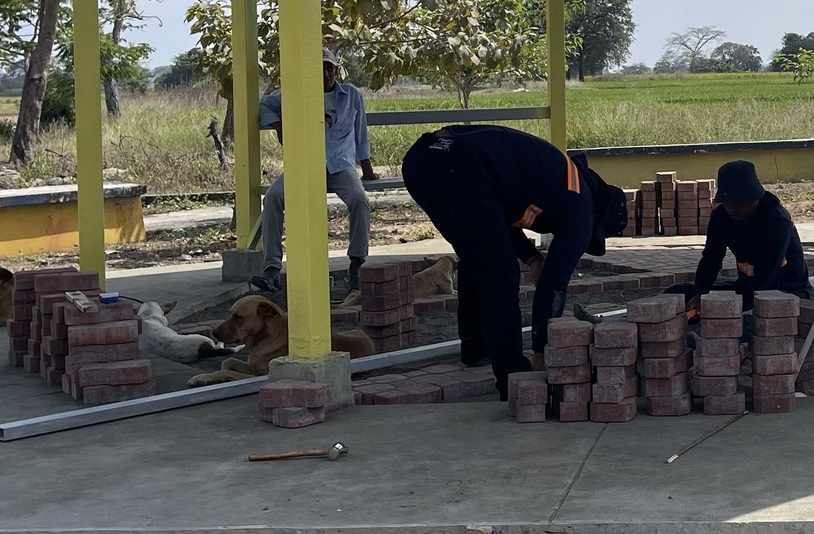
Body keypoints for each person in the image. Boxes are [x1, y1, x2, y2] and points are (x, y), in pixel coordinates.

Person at [400, 124, 626, 397]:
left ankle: (476, 347)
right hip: (461, 167)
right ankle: (512, 377)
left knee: (477, 254)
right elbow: (553, 285)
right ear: (599, 220)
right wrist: (544, 349)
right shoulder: (582, 208)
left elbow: (495, 216)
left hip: (423, 159)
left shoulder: (563, 179)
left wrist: (531, 257)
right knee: (501, 272)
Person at [250, 47, 376, 301]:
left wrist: (367, 170)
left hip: (340, 166)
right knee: (273, 197)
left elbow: (360, 134)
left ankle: (356, 265)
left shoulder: (351, 95)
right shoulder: (295, 94)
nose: (325, 73)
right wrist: (279, 126)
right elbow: (264, 105)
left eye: (329, 68)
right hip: (305, 166)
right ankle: (272, 268)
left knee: (359, 200)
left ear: (336, 70)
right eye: (319, 68)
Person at [687, 160, 811, 311]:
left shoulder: (776, 221)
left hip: (786, 288)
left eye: (737, 204)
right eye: (726, 203)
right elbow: (711, 259)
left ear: (755, 200)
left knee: (752, 315)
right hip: (746, 286)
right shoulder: (721, 216)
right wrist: (700, 293)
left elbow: (765, 276)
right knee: (680, 292)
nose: (730, 209)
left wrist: (732, 309)